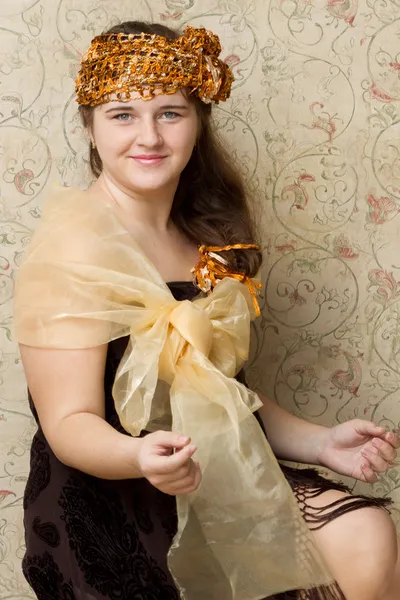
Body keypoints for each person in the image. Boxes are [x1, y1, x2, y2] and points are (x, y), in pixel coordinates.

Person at [14, 20, 400, 600]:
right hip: (111, 487)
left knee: (367, 536)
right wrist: (139, 455)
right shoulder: (74, 244)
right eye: (122, 115)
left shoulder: (204, 239)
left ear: (198, 124)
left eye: (170, 112)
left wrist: (320, 443)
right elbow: (68, 424)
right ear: (90, 129)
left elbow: (218, 394)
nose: (148, 136)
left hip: (208, 463)